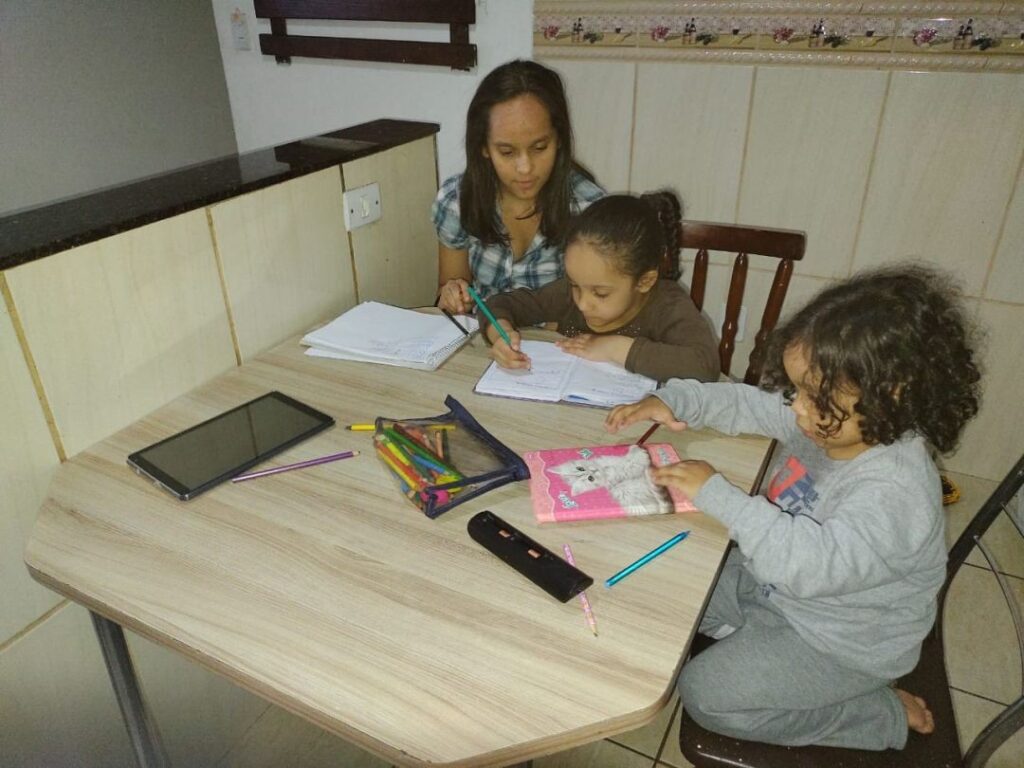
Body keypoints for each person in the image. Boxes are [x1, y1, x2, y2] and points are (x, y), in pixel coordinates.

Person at [605, 264, 982, 751]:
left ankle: (875, 715)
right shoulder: (834, 419)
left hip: (840, 643)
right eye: (799, 389)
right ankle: (743, 632)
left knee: (704, 694)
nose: (797, 407)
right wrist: (675, 401)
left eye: (814, 396)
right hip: (776, 590)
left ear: (890, 393)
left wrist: (718, 494)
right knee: (665, 583)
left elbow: (807, 565)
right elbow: (750, 405)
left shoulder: (895, 493)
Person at [480, 191, 720, 383]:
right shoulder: (571, 293)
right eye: (575, 285)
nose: (582, 302)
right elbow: (499, 304)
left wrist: (615, 347)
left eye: (600, 293)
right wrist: (499, 333)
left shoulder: (667, 305)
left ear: (644, 281)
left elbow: (704, 366)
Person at [432, 59, 604, 315]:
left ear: (559, 139)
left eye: (539, 148)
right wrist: (452, 296)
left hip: (557, 348)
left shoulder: (588, 210)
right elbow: (450, 290)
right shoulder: (457, 200)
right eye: (507, 152)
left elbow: (601, 314)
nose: (525, 168)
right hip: (482, 345)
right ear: (484, 148)